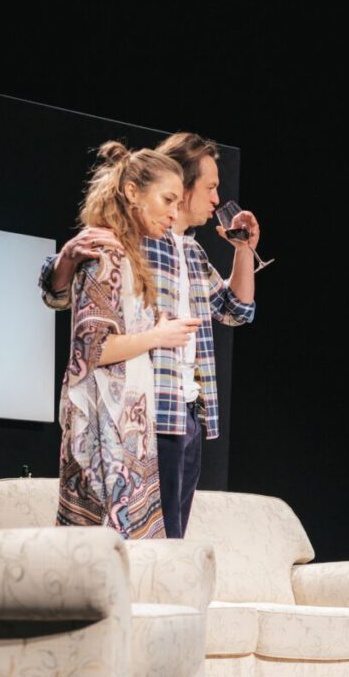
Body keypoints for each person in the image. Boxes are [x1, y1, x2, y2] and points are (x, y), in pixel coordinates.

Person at [41, 132, 257, 538]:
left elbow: (237, 311)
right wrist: (66, 260)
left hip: (187, 409)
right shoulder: (132, 239)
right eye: (209, 187)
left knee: (168, 539)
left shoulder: (192, 252)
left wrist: (244, 250)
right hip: (145, 409)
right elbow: (64, 295)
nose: (216, 199)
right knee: (146, 542)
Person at [57, 141, 201, 538]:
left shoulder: (131, 254)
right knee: (109, 548)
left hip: (129, 421)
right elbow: (93, 350)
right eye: (168, 200)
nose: (174, 213)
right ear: (133, 192)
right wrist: (158, 335)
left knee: (136, 551)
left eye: (178, 203)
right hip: (106, 425)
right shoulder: (107, 253)